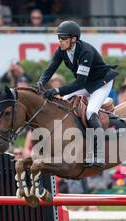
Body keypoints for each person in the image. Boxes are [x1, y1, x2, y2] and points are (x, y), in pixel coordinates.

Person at [37, 20, 119, 169]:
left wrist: (56, 90)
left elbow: (80, 83)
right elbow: (51, 68)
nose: (60, 41)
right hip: (88, 83)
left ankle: (98, 154)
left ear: (73, 39)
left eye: (63, 38)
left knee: (90, 112)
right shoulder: (62, 51)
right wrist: (41, 82)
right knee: (63, 101)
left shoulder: (85, 52)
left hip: (101, 83)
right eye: (59, 38)